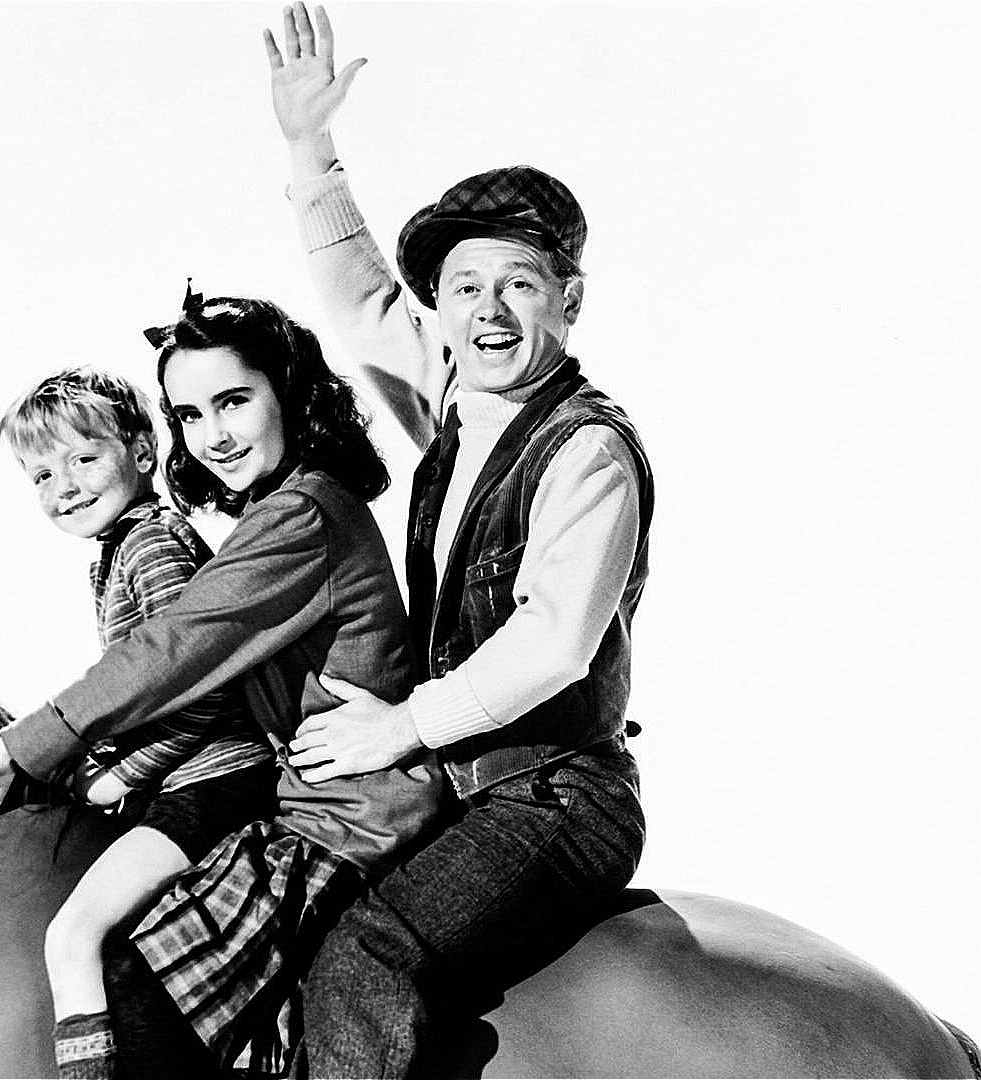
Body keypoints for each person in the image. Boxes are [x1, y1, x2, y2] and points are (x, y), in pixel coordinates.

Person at [264, 5, 655, 1076]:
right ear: (437, 308)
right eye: (466, 287)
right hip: (462, 779)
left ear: (568, 304)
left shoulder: (587, 452)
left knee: (365, 958)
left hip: (554, 794)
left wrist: (401, 728)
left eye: (520, 285)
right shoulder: (454, 395)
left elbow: (554, 647)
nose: (490, 310)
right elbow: (355, 299)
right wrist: (308, 145)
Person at [0, 291, 445, 1078]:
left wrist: (22, 753)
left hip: (343, 817)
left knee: (143, 988)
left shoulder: (297, 515)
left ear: (290, 393)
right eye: (191, 416)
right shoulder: (273, 512)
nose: (213, 436)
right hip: (310, 801)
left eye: (232, 401)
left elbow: (171, 654)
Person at [0, 367, 279, 1079]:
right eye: (40, 475)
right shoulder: (122, 548)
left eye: (84, 458)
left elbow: (203, 685)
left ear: (143, 453)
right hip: (193, 779)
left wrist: (124, 772)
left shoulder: (150, 545)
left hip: (217, 779)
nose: (64, 486)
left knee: (74, 935)